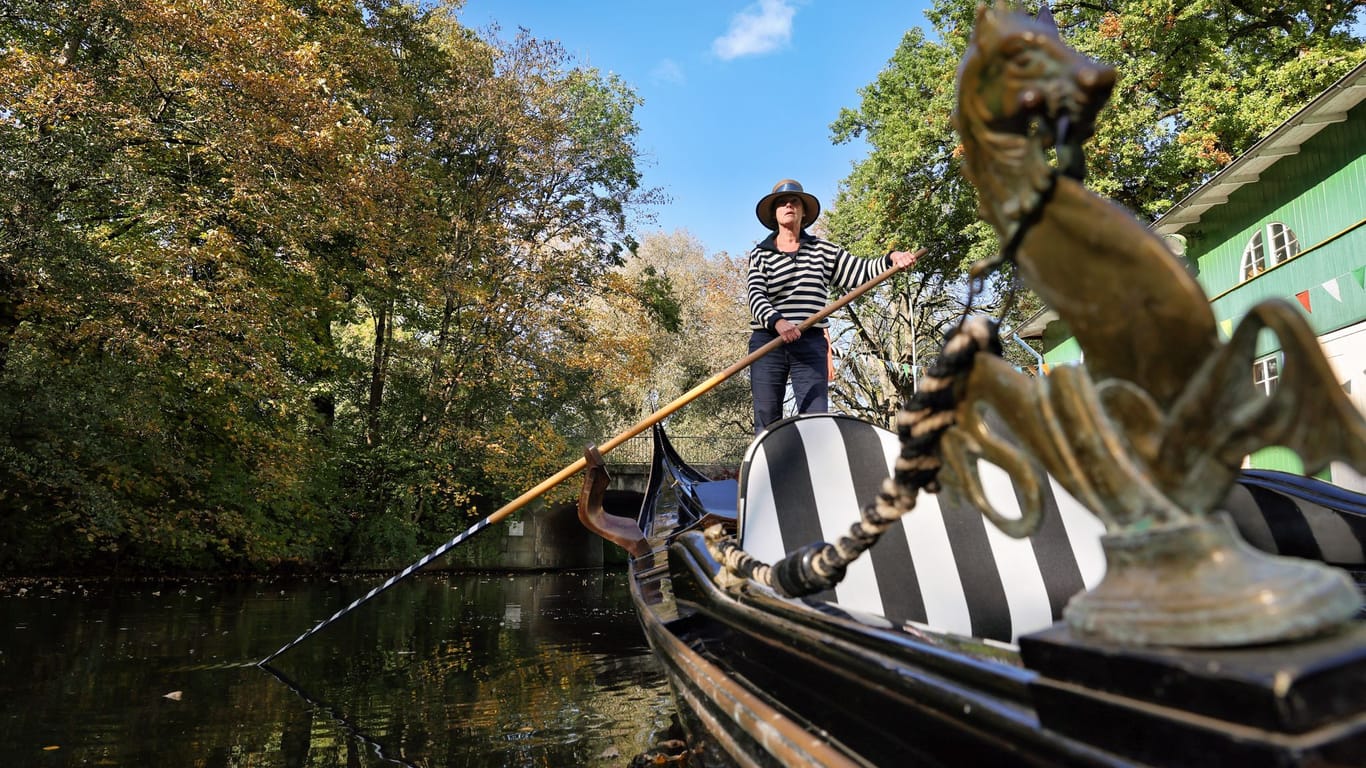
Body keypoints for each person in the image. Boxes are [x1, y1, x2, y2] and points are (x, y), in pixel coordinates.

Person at [746, 179, 918, 433]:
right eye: (782, 203)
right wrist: (779, 323)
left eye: (794, 201)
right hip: (768, 342)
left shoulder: (824, 251)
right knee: (767, 417)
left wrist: (891, 258)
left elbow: (860, 272)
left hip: (809, 340)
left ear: (804, 212)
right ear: (774, 213)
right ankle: (768, 472)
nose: (788, 205)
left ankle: (814, 471)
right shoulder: (761, 254)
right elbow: (756, 296)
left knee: (815, 418)